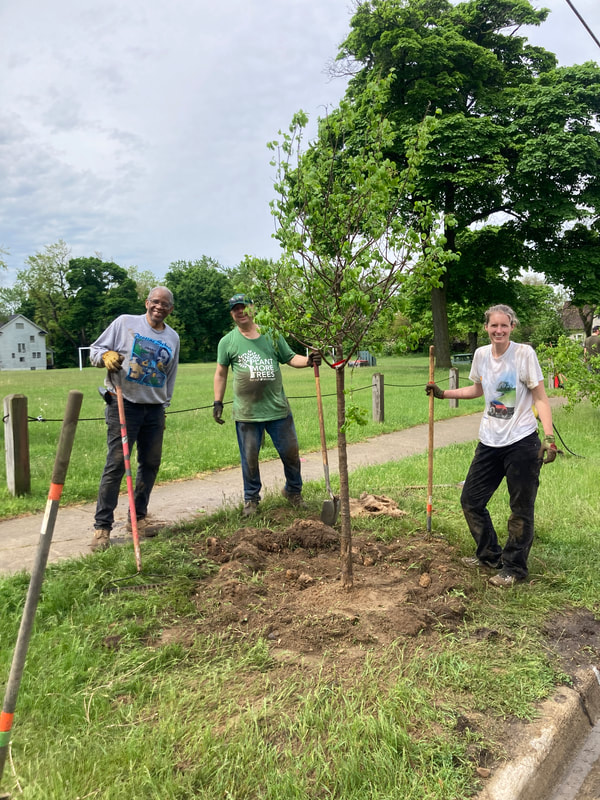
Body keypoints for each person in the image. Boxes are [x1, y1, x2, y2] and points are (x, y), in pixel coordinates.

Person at [426, 304, 557, 588]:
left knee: (520, 508)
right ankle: (489, 555)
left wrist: (548, 436)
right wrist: (443, 393)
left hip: (522, 442)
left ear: (512, 327)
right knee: (471, 501)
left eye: (504, 325)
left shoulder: (524, 354)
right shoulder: (481, 355)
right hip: (489, 441)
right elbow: (478, 389)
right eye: (494, 325)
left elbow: (541, 398)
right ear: (486, 327)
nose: (499, 330)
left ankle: (514, 568)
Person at [89, 286, 180, 551]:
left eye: (165, 304)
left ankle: (137, 517)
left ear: (170, 309)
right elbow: (95, 351)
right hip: (123, 403)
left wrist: (165, 404)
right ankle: (102, 527)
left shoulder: (173, 337)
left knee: (150, 463)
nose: (159, 307)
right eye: (155, 302)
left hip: (154, 408)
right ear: (147, 303)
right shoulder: (125, 323)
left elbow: (171, 373)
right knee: (117, 464)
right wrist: (104, 356)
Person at [213, 293, 320, 517]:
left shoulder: (272, 335)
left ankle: (293, 491)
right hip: (247, 412)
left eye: (243, 307)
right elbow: (221, 373)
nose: (240, 311)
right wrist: (217, 402)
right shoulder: (227, 342)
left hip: (277, 409)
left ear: (253, 308)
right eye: (235, 309)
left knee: (291, 453)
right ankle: (251, 499)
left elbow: (290, 357)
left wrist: (309, 360)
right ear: (231, 314)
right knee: (249, 458)